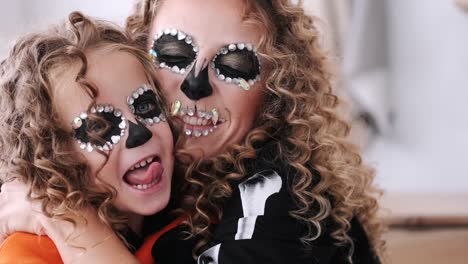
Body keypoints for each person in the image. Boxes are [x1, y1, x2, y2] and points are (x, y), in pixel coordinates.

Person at [0, 0, 385, 263]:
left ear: (277, 84)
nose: (194, 86)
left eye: (235, 62)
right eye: (173, 55)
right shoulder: (175, 196)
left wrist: (65, 217)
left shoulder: (280, 198)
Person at [0, 12, 176, 263]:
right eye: (99, 127)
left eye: (146, 106)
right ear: (51, 156)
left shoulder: (196, 227)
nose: (140, 132)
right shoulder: (27, 252)